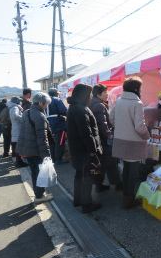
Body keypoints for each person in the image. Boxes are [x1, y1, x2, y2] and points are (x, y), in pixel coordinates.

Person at [110, 76, 150, 209]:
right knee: (132, 172)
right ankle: (129, 199)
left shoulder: (119, 101)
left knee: (126, 170)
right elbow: (140, 127)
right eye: (140, 87)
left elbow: (112, 118)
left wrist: (121, 129)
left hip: (121, 141)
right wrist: (146, 136)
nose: (141, 90)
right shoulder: (137, 103)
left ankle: (125, 196)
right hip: (134, 143)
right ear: (136, 88)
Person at [67, 83, 103, 213]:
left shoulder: (73, 107)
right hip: (84, 150)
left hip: (77, 148)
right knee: (86, 178)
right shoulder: (81, 109)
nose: (91, 97)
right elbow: (86, 133)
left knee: (79, 175)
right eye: (90, 94)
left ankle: (78, 199)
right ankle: (86, 204)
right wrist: (93, 151)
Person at [16, 93, 54, 203]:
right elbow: (42, 137)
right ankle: (39, 196)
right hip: (36, 149)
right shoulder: (39, 115)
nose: (47, 106)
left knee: (34, 172)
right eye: (46, 104)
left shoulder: (26, 112)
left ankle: (39, 193)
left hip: (27, 148)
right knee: (40, 173)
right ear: (41, 103)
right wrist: (46, 154)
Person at [89, 84, 122, 193]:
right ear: (98, 94)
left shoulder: (92, 103)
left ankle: (99, 185)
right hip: (103, 140)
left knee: (102, 164)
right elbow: (102, 125)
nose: (107, 94)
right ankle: (117, 184)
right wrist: (110, 136)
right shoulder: (99, 105)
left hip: (97, 139)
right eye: (105, 92)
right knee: (110, 162)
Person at [46, 88, 68, 165]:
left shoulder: (44, 100)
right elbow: (63, 111)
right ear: (55, 93)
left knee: (51, 141)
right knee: (60, 141)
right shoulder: (56, 100)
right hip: (58, 123)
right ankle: (59, 159)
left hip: (47, 122)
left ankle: (53, 158)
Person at [9, 96, 28, 168]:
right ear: (16, 101)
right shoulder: (15, 107)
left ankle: (19, 161)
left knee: (17, 145)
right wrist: (23, 118)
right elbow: (15, 116)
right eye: (19, 101)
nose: (20, 102)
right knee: (18, 145)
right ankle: (19, 161)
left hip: (16, 127)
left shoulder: (13, 107)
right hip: (17, 127)